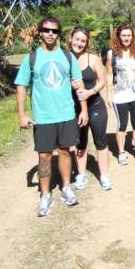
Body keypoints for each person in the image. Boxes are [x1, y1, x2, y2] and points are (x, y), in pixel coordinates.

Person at [15, 16, 88, 217]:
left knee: (65, 151)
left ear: (59, 34)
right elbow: (21, 87)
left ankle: (65, 187)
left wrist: (84, 109)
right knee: (44, 156)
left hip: (66, 114)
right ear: (40, 32)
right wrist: (22, 114)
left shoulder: (67, 57)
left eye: (55, 31)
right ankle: (45, 195)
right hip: (43, 117)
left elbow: (78, 84)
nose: (50, 34)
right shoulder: (31, 58)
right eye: (46, 30)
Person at [66, 26, 113, 191]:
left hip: (96, 106)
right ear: (71, 38)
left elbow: (102, 80)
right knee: (80, 143)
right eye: (77, 39)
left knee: (100, 140)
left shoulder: (92, 59)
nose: (79, 43)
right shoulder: (64, 58)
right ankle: (81, 174)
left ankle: (104, 176)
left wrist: (89, 92)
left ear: (87, 43)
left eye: (83, 41)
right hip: (74, 108)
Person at [106, 23, 135, 165]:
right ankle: (121, 152)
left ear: (133, 37)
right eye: (123, 35)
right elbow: (109, 74)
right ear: (118, 37)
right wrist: (109, 96)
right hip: (119, 96)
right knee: (121, 124)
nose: (126, 38)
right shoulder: (111, 54)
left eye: (129, 35)